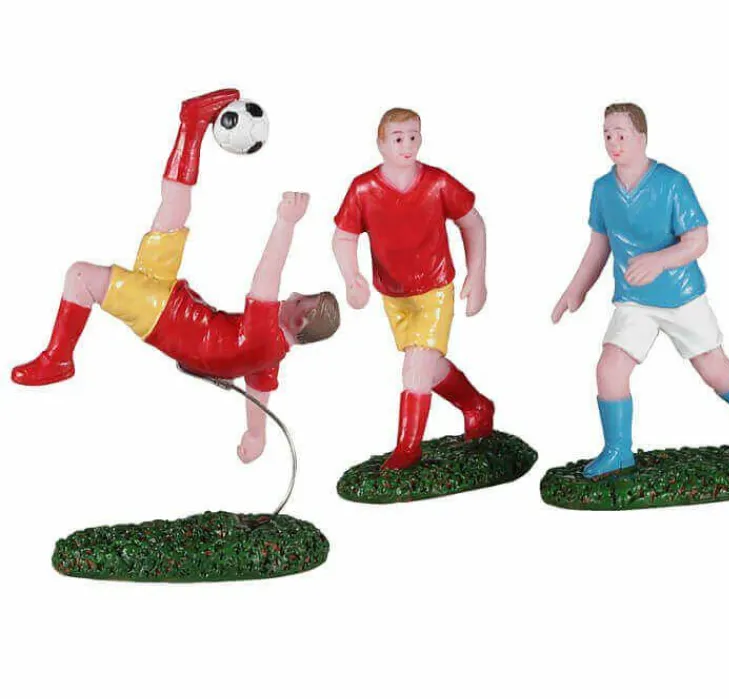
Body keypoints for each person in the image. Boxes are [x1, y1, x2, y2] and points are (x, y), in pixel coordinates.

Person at [11, 89, 339, 462]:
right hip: (170, 295)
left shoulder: (266, 333)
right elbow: (259, 396)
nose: (292, 296)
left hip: (159, 311)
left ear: (302, 319)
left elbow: (268, 273)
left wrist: (286, 222)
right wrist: (255, 435)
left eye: (300, 300)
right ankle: (192, 124)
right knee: (173, 209)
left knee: (81, 278)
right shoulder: (272, 355)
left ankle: (59, 358)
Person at [551, 102, 729, 479]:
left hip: (680, 297)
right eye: (607, 135)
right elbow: (598, 246)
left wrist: (659, 261)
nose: (613, 143)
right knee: (609, 369)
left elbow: (697, 240)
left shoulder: (672, 183)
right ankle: (618, 450)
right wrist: (576, 290)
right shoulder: (603, 189)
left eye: (621, 134)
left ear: (642, 137)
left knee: (714, 370)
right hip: (634, 300)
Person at [333, 107, 493, 470]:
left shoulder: (438, 182)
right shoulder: (363, 189)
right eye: (398, 138)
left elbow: (473, 223)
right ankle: (476, 406)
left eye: (413, 136)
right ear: (381, 144)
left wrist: (477, 275)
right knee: (427, 365)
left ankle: (407, 449)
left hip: (435, 288)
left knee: (416, 368)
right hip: (394, 295)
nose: (407, 145)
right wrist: (351, 276)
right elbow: (343, 236)